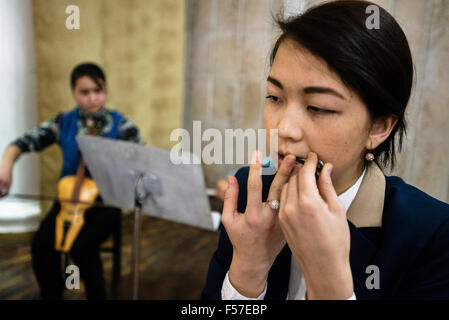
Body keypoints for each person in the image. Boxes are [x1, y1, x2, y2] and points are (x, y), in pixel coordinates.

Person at [202, 0, 449, 300]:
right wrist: (248, 270)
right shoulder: (247, 196)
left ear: (379, 127)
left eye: (318, 107)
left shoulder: (432, 235)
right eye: (275, 97)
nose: (284, 129)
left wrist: (330, 283)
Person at [0, 62, 145, 299]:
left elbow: (142, 158)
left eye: (97, 91)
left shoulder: (121, 125)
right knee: (41, 245)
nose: (92, 98)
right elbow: (23, 142)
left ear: (105, 91)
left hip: (104, 202)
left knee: (82, 246)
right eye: (84, 92)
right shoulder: (63, 122)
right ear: (74, 93)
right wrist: (6, 166)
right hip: (69, 199)